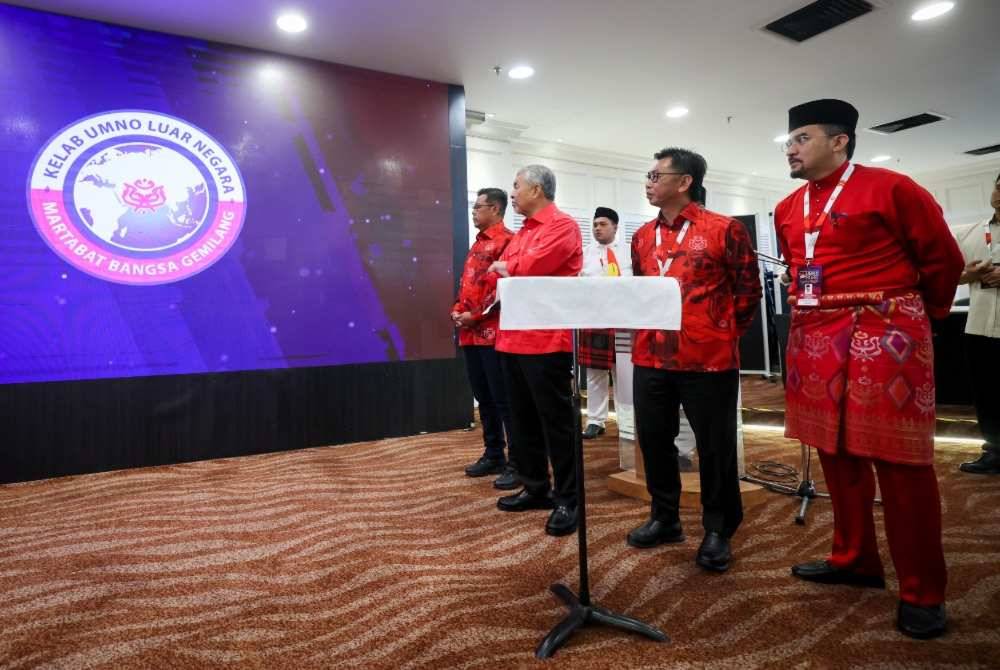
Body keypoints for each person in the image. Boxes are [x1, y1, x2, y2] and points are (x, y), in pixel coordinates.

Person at [773, 99, 964, 640]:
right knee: (834, 455)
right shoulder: (788, 206)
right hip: (816, 333)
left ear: (840, 141)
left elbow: (942, 259)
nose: (791, 147)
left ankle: (923, 590)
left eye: (802, 137)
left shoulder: (892, 187)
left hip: (885, 328)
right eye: (788, 140)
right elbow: (798, 268)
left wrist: (918, 316)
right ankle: (853, 558)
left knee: (900, 463)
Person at [628, 147, 761, 573]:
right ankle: (664, 517)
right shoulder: (642, 236)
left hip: (709, 360)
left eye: (655, 174)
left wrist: (720, 333)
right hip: (651, 356)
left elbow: (747, 291)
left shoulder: (725, 229)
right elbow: (640, 289)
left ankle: (719, 529)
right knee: (653, 439)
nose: (648, 182)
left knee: (714, 446)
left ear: (684, 182)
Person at [489, 164, 583, 536]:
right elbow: (510, 269)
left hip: (546, 339)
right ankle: (535, 487)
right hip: (512, 336)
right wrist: (509, 267)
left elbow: (529, 267)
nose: (511, 193)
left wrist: (508, 266)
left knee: (556, 423)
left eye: (516, 186)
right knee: (521, 418)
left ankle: (568, 498)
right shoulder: (524, 231)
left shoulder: (563, 226)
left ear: (538, 190)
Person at [452, 188, 518, 489]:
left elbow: (501, 290)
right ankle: (494, 454)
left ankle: (518, 462)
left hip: (493, 334)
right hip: (470, 334)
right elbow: (468, 283)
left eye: (478, 207)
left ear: (495, 209)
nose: (473, 211)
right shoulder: (477, 243)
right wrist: (458, 309)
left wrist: (475, 315)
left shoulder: (508, 241)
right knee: (484, 398)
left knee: (504, 399)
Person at [955, 172, 1000, 475]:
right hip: (980, 326)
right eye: (999, 184)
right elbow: (949, 275)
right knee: (988, 394)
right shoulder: (971, 232)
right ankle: (994, 452)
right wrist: (969, 275)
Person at [580, 206, 632, 440]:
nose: (597, 228)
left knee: (623, 372)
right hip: (595, 318)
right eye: (595, 224)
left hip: (623, 319)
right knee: (594, 373)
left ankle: (627, 421)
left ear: (615, 227)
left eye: (602, 224)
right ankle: (595, 420)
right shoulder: (585, 253)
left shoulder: (630, 252)